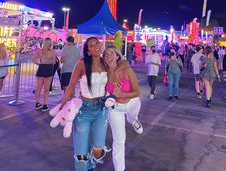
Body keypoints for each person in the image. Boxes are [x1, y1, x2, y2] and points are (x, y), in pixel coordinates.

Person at [59, 37, 108, 171]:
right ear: (88, 51)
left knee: (98, 148)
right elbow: (71, 86)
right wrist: (61, 106)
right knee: (81, 151)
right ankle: (84, 167)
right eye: (92, 45)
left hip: (101, 110)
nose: (96, 46)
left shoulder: (106, 62)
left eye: (97, 43)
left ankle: (91, 164)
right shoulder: (82, 63)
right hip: (84, 110)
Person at [103, 45, 143, 171]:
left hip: (132, 103)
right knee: (119, 141)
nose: (109, 57)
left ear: (117, 55)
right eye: (106, 54)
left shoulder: (126, 69)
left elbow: (137, 92)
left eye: (112, 53)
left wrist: (122, 94)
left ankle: (133, 120)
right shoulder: (104, 73)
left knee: (132, 116)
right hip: (116, 109)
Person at [32, 37, 56, 112]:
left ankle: (37, 103)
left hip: (41, 68)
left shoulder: (39, 51)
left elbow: (33, 59)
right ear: (50, 43)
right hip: (48, 69)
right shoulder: (52, 51)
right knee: (46, 89)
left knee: (38, 88)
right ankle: (45, 105)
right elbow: (54, 62)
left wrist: (39, 64)